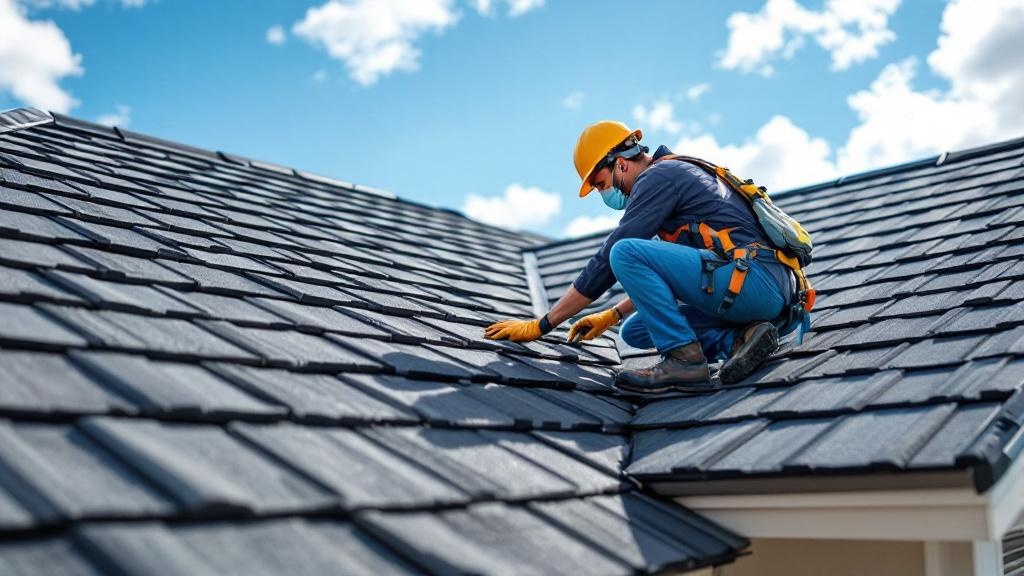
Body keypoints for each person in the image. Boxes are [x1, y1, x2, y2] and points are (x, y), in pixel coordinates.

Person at [484, 120, 800, 394]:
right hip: (763, 291)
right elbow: (680, 268)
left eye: (601, 184)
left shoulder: (658, 178)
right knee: (635, 330)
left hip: (756, 281)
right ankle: (744, 338)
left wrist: (543, 324)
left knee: (624, 251)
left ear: (620, 163)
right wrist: (613, 315)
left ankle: (685, 361)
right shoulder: (676, 180)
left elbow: (612, 257)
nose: (604, 194)